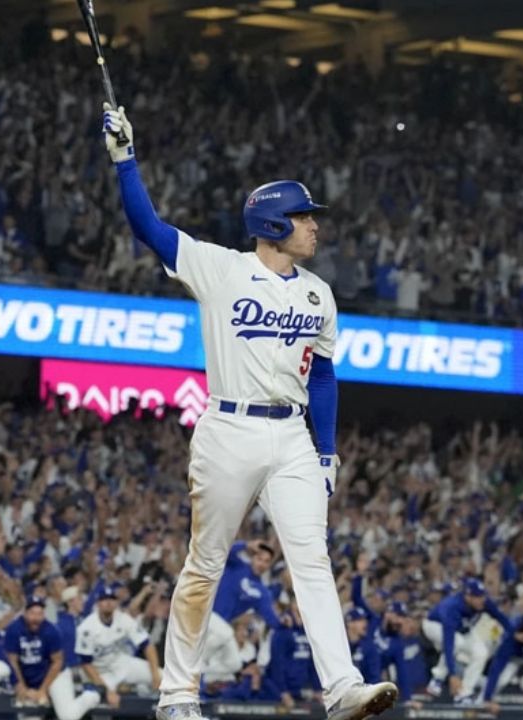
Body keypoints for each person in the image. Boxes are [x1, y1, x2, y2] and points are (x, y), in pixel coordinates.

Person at [101, 105, 396, 720]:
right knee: (205, 564)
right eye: (303, 216)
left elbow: (325, 376)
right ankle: (177, 695)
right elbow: (148, 227)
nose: (313, 225)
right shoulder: (222, 268)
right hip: (228, 428)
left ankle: (341, 687)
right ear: (272, 222)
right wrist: (125, 159)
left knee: (312, 557)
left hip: (291, 435)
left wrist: (326, 449)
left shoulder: (318, 293)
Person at [5, 595, 101, 720]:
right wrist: (21, 687)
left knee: (67, 716)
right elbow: (12, 661)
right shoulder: (14, 629)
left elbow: (57, 662)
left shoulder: (51, 630)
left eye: (40, 614)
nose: (36, 618)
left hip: (55, 675)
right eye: (32, 613)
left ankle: (92, 696)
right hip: (29, 679)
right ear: (25, 613)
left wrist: (43, 690)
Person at [423, 578, 511, 700]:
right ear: (468, 597)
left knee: (481, 653)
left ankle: (464, 693)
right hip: (434, 625)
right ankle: (437, 679)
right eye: (478, 597)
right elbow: (449, 643)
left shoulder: (484, 603)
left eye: (483, 596)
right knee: (457, 642)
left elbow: (501, 618)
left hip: (462, 630)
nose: (482, 599)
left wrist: (514, 633)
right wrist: (452, 674)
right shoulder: (452, 607)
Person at [74, 584, 160, 708]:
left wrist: (155, 675)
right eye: (104, 599)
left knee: (164, 677)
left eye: (112, 599)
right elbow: (86, 664)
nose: (108, 602)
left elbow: (147, 645)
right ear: (98, 603)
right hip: (100, 671)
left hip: (121, 662)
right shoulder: (86, 628)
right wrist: (106, 690)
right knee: (96, 699)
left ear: (116, 603)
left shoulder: (123, 618)